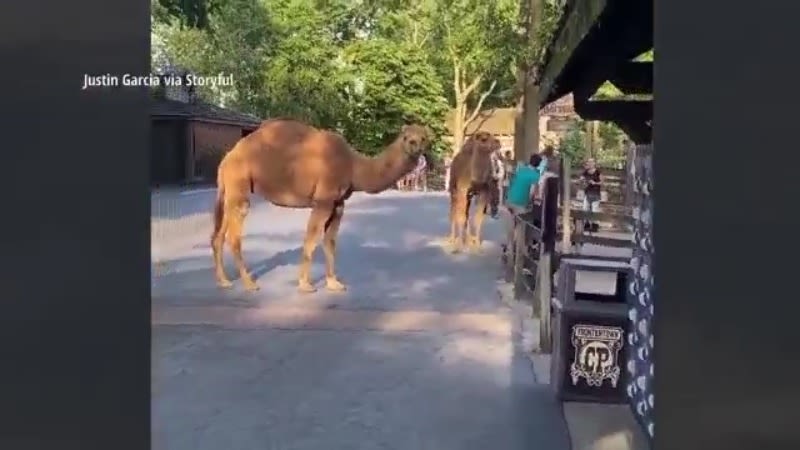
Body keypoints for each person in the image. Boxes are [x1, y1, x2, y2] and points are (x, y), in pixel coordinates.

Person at [502, 153, 545, 251]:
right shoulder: (535, 175)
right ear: (538, 164)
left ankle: (509, 247)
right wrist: (530, 202)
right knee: (524, 226)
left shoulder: (520, 170)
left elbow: (511, 183)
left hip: (510, 199)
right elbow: (532, 192)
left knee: (511, 224)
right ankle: (521, 250)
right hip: (520, 202)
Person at [581, 157, 602, 232]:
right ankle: (586, 224)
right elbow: (582, 178)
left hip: (595, 193)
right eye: (588, 162)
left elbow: (602, 182)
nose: (590, 163)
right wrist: (583, 180)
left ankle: (594, 225)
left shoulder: (598, 172)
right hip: (587, 192)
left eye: (591, 162)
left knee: (594, 210)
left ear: (594, 163)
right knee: (585, 209)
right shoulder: (586, 171)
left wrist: (595, 183)